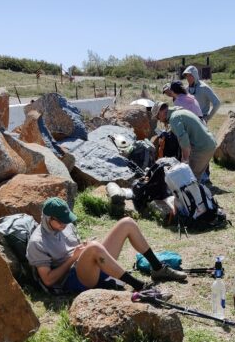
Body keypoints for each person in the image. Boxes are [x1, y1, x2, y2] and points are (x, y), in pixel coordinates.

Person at [26, 197, 187, 294]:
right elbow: (48, 281)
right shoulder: (37, 242)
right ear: (48, 219)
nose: (65, 224)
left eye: (67, 220)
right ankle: (139, 286)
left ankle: (158, 268)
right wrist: (73, 258)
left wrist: (83, 249)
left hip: (85, 265)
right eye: (60, 221)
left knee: (127, 223)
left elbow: (75, 248)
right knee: (94, 247)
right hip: (73, 279)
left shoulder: (65, 225)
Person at [151, 101, 217, 181]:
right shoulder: (180, 112)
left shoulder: (174, 118)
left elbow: (184, 141)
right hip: (209, 144)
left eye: (158, 118)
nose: (160, 120)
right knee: (195, 177)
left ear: (160, 113)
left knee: (190, 179)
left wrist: (184, 160)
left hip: (201, 148)